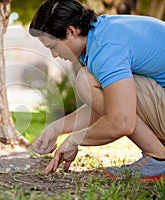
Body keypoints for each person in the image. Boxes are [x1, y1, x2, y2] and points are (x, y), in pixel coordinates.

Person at [29, 0, 165, 181]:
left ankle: (158, 158)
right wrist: (57, 128)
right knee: (90, 80)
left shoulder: (106, 48)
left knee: (86, 80)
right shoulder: (103, 32)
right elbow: (110, 103)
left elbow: (120, 121)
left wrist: (75, 139)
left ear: (71, 31)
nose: (54, 55)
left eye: (53, 46)